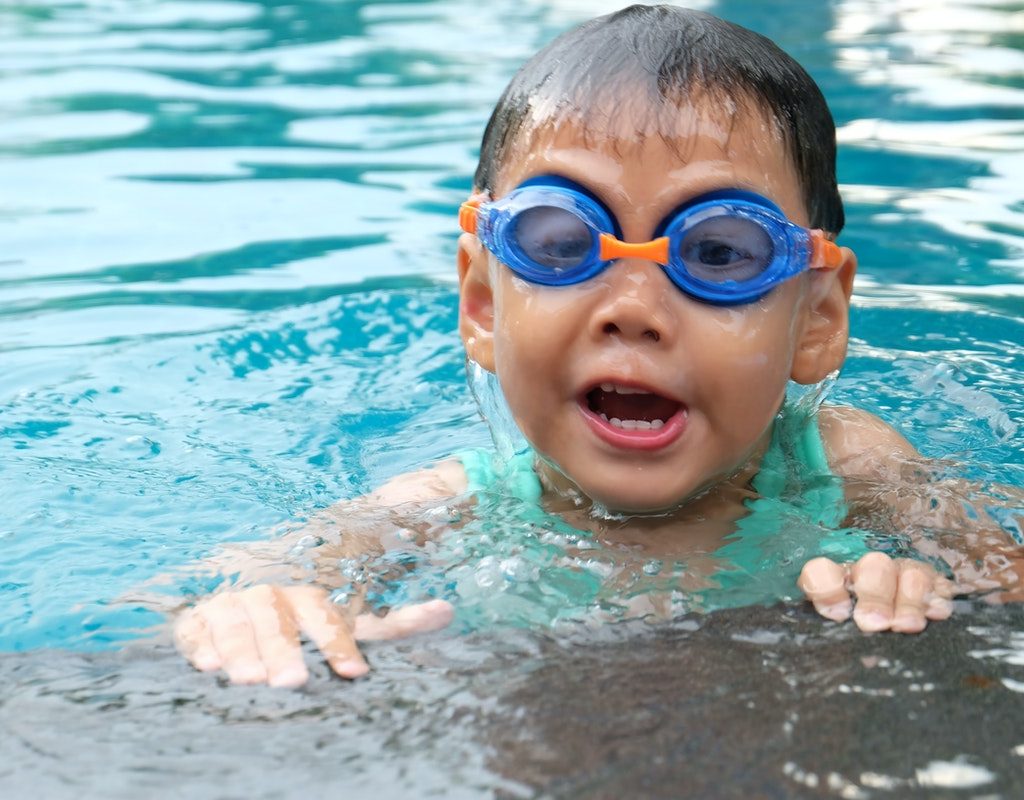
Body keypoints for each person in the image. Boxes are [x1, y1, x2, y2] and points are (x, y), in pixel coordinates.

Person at [174, 5, 1022, 688]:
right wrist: (253, 609)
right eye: (559, 241)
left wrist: (919, 589)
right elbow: (237, 583)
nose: (633, 311)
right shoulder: (453, 505)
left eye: (719, 251)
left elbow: (1004, 577)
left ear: (817, 322)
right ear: (482, 303)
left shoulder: (848, 468)